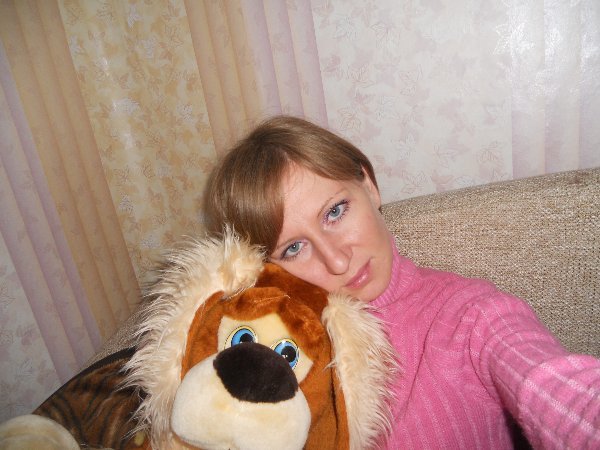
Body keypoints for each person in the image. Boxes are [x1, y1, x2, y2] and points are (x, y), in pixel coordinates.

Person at [205, 115, 600, 449]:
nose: (337, 260)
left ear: (369, 186)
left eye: (335, 212)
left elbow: (556, 391)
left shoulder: (473, 315)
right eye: (294, 248)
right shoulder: (276, 353)